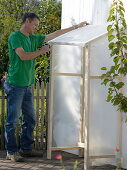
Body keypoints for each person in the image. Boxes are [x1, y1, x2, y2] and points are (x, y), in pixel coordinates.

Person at [4, 12, 88, 162]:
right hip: (15, 84)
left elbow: (55, 34)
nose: (36, 28)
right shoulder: (15, 37)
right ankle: (11, 151)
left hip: (28, 85)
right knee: (13, 120)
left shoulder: (33, 38)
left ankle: (26, 149)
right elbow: (23, 56)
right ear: (27, 22)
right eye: (35, 24)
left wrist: (77, 26)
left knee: (30, 119)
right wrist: (41, 51)